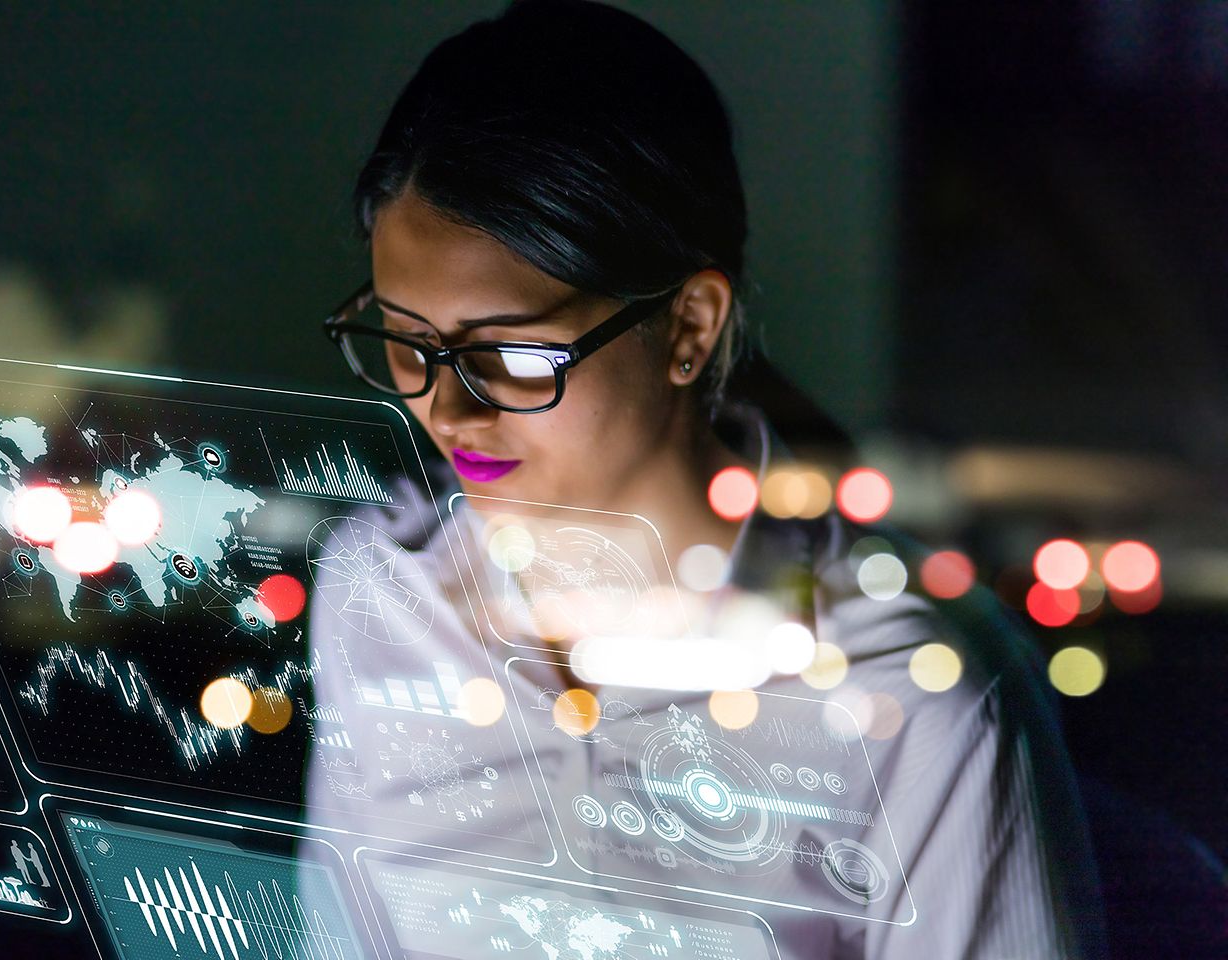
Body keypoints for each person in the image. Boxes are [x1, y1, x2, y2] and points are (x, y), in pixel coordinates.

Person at [305, 2, 1107, 956]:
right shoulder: (381, 596)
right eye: (404, 342)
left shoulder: (903, 687)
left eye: (512, 353)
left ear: (688, 325)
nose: (450, 410)